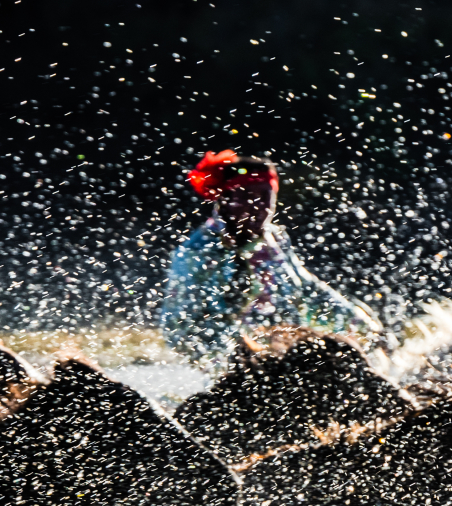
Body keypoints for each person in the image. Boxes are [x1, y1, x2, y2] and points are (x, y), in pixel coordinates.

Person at [158, 150, 384, 370]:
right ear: (224, 200)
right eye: (248, 197)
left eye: (266, 197)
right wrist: (242, 356)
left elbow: (308, 292)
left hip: (291, 359)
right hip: (239, 373)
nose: (259, 208)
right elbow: (178, 328)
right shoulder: (197, 253)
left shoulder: (275, 240)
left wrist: (365, 328)